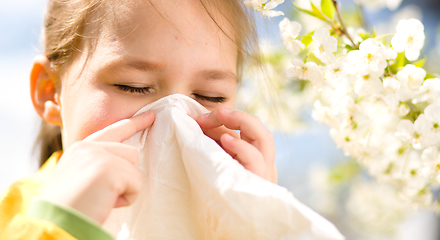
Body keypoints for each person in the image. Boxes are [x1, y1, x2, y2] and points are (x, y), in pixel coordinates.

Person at [0, 0, 277, 239]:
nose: (174, 120)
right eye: (133, 86)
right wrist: (59, 225)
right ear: (51, 92)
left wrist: (263, 225)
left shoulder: (234, 218)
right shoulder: (13, 221)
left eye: (210, 96)